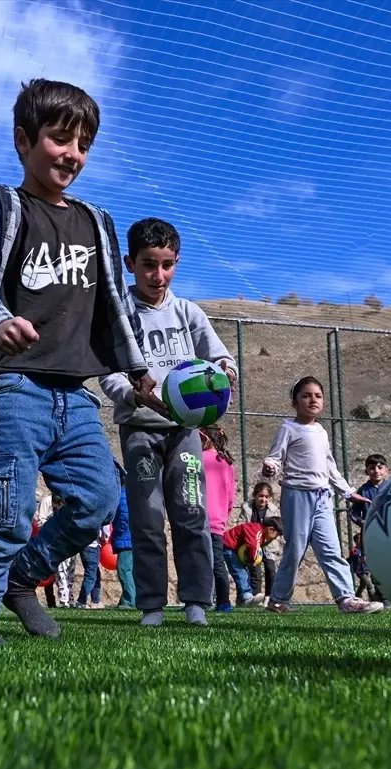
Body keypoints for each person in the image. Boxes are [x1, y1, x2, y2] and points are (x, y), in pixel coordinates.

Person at [0, 78, 160, 646]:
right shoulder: (2, 206)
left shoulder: (96, 221)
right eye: (60, 139)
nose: (73, 154)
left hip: (75, 393)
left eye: (84, 145)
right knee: (9, 506)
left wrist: (138, 370)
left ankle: (22, 578)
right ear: (23, 140)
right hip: (14, 385)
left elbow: (116, 307)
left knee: (98, 500)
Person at [98, 217, 237, 628]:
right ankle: (152, 606)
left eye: (167, 265)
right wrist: (133, 394)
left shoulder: (188, 312)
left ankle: (196, 602)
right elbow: (108, 372)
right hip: (139, 427)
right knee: (147, 516)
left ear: (176, 262)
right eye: (148, 265)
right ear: (130, 264)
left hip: (184, 431)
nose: (158, 275)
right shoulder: (118, 314)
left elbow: (221, 358)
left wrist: (224, 375)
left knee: (191, 512)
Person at [261, 377, 382, 614]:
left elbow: (329, 466)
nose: (313, 400)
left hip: (323, 498)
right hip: (297, 496)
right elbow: (275, 458)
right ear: (295, 402)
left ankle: (347, 599)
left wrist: (348, 492)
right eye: (306, 396)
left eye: (318, 396)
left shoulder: (321, 431)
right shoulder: (288, 427)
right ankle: (278, 600)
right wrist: (270, 468)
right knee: (295, 550)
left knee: (331, 550)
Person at [201, 426, 237, 613]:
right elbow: (231, 498)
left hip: (198, 518)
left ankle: (197, 600)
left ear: (207, 439)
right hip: (218, 521)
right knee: (217, 562)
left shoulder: (198, 458)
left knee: (197, 560)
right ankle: (224, 602)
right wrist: (224, 516)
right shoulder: (227, 463)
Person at [239, 481, 281, 602]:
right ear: (255, 496)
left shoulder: (273, 510)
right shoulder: (247, 508)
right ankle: (256, 596)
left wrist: (270, 537)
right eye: (261, 496)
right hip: (252, 544)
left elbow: (277, 528)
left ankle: (269, 596)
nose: (263, 499)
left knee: (270, 569)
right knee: (255, 571)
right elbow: (241, 525)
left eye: (266, 497)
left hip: (269, 544)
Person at [110, 468, 135, 609]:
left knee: (124, 568)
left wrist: (118, 534)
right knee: (130, 569)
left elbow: (123, 518)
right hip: (132, 537)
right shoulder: (131, 494)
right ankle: (126, 599)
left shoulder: (122, 495)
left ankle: (130, 601)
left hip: (126, 538)